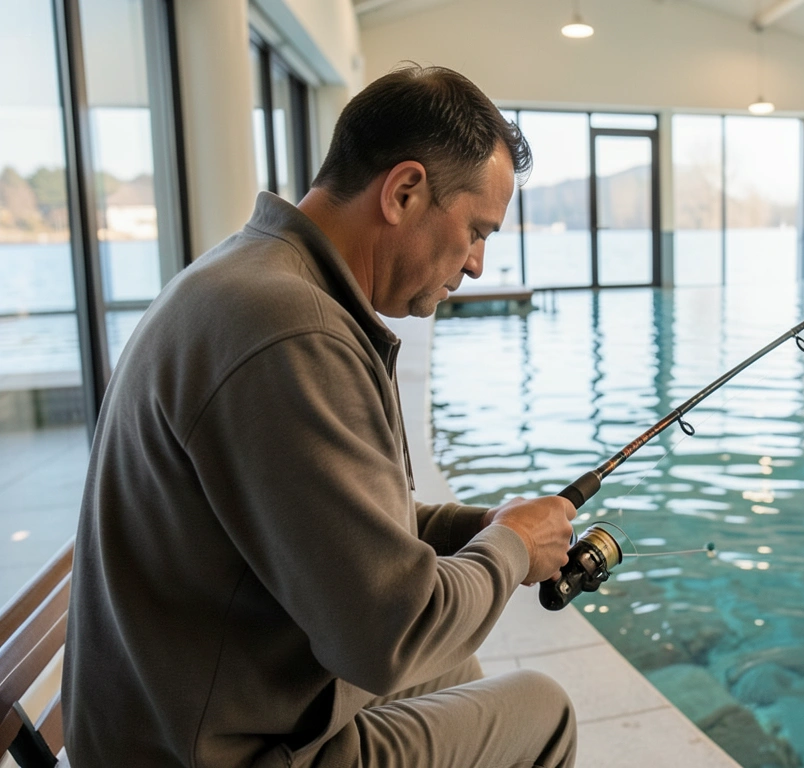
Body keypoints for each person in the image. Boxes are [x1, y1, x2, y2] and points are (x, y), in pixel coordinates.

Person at [63, 65, 578, 768]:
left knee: (450, 671)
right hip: (209, 751)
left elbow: (345, 528)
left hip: (189, 709)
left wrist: (485, 529)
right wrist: (511, 550)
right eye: (477, 231)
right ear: (404, 192)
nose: (479, 266)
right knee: (540, 713)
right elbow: (390, 635)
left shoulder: (254, 278)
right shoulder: (292, 332)